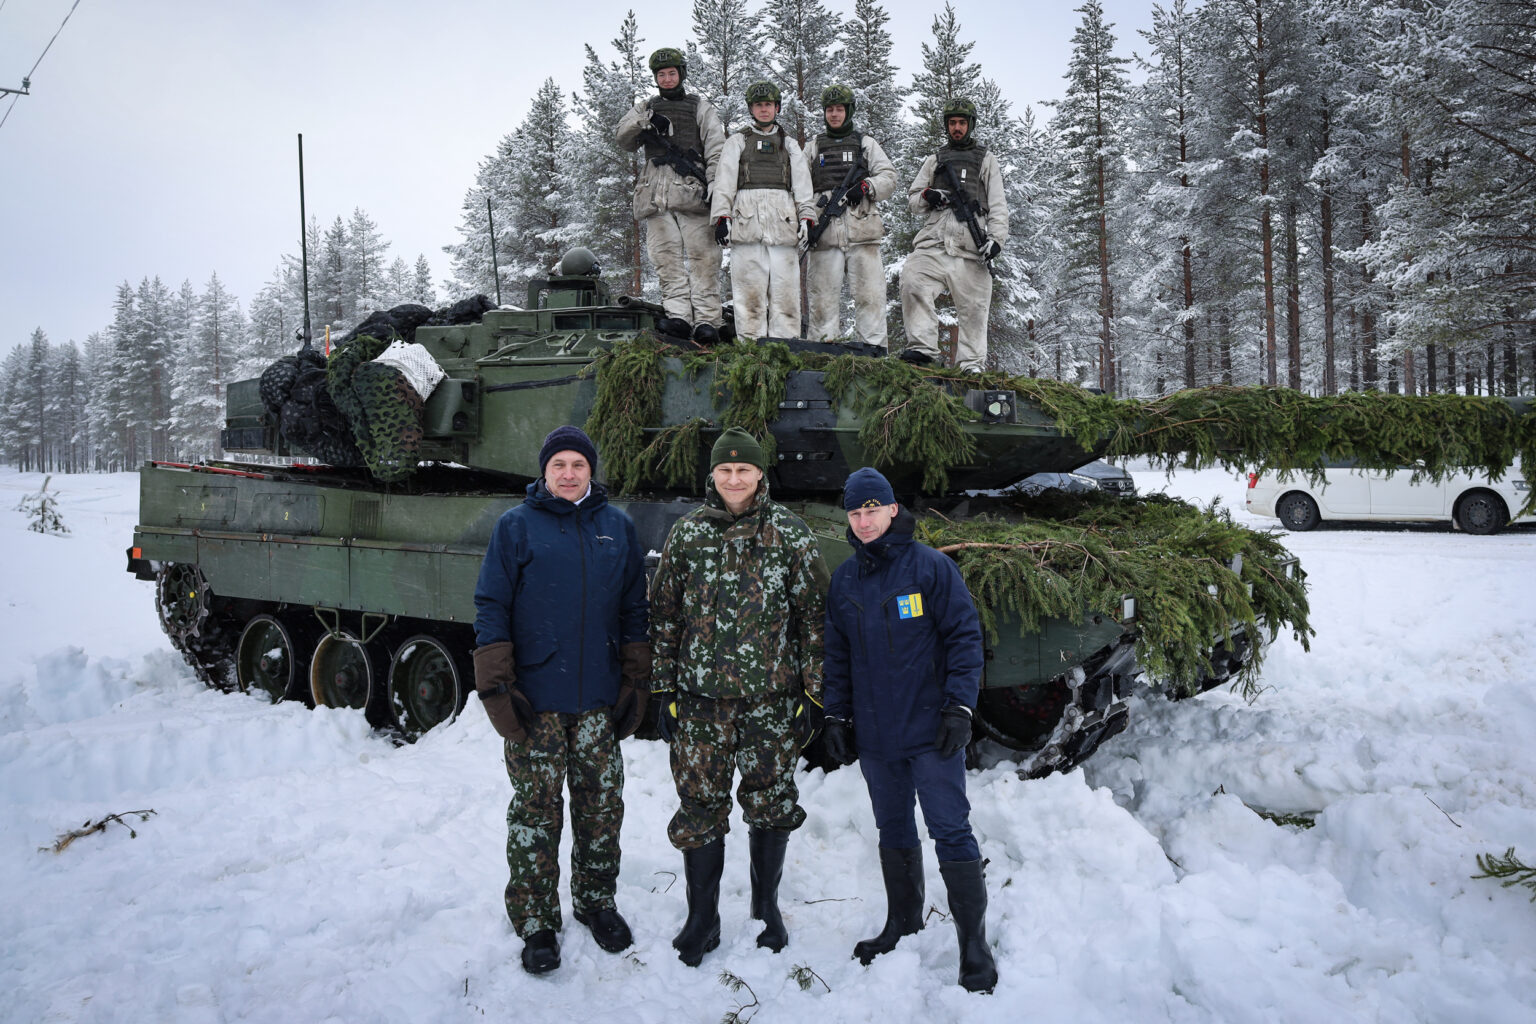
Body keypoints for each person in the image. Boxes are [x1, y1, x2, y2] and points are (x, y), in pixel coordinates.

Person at [472, 425, 651, 975]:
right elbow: (491, 605)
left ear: (590, 470)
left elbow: (633, 610)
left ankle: (596, 901)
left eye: (578, 464)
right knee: (536, 813)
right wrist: (498, 686)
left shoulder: (616, 528)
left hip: (597, 700)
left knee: (601, 809)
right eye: (559, 465)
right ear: (544, 471)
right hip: (536, 701)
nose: (569, 473)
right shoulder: (516, 528)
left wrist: (635, 680)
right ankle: (536, 921)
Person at [649, 427, 829, 966]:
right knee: (700, 808)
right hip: (700, 703)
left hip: (770, 703)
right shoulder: (687, 535)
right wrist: (663, 688)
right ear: (712, 475)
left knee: (771, 804)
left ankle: (765, 905)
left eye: (744, 470)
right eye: (724, 471)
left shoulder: (791, 535)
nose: (734, 479)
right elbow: (664, 615)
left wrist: (814, 696)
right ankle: (702, 916)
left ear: (759, 474)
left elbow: (814, 621)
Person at [821, 466, 999, 993]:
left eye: (872, 509)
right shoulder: (845, 579)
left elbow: (966, 640)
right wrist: (836, 715)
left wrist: (960, 709)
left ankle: (973, 945)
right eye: (855, 513)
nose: (864, 520)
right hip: (877, 737)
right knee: (893, 830)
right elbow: (837, 656)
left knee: (950, 829)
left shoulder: (930, 569)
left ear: (892, 509)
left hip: (930, 731)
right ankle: (902, 922)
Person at [616, 47, 727, 344]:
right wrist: (646, 122)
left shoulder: (699, 107)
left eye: (671, 73)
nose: (666, 79)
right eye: (661, 75)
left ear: (681, 74)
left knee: (704, 260)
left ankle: (707, 321)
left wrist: (716, 185)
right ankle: (678, 316)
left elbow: (717, 148)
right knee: (667, 261)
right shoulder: (646, 106)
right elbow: (622, 138)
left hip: (693, 195)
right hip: (656, 199)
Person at [898, 97, 1010, 373]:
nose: (956, 128)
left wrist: (996, 239)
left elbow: (998, 204)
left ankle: (970, 365)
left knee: (974, 308)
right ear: (946, 126)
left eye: (961, 123)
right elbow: (913, 199)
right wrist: (929, 195)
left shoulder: (986, 160)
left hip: (971, 245)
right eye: (952, 123)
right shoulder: (935, 160)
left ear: (970, 125)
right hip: (934, 242)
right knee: (913, 281)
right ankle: (923, 349)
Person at [709, 81, 817, 339]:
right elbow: (724, 182)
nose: (764, 110)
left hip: (783, 230)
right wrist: (721, 217)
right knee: (749, 299)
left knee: (786, 299)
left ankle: (785, 349)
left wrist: (807, 219)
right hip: (746, 229)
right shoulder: (737, 141)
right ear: (751, 109)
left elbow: (803, 186)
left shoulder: (789, 145)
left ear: (777, 107)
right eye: (759, 105)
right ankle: (750, 353)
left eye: (768, 104)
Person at [803, 84, 898, 351]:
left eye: (839, 109)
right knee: (821, 300)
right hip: (824, 235)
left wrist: (866, 187)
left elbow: (889, 177)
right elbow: (799, 186)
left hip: (862, 231)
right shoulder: (813, 147)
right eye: (830, 110)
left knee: (871, 297)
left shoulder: (865, 144)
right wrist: (807, 218)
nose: (834, 114)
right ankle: (821, 352)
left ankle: (873, 353)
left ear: (849, 111)